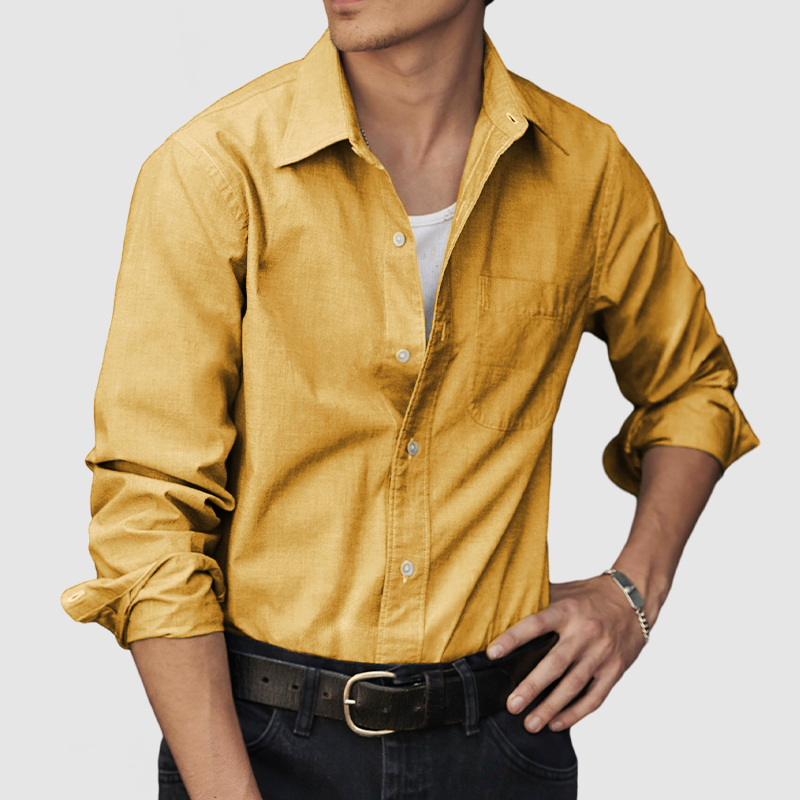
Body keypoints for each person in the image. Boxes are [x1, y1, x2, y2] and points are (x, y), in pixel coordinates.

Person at [60, 1, 759, 798]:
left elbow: (693, 385)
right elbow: (149, 509)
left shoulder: (584, 171)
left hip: (501, 741)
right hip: (259, 746)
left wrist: (634, 592)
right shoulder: (215, 169)